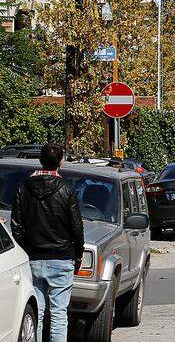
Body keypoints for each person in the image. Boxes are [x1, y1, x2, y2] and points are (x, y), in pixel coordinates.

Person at [11, 143, 84, 342]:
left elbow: (16, 226)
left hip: (33, 257)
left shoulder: (24, 188)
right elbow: (76, 227)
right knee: (59, 314)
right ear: (61, 162)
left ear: (40, 160)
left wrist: (27, 250)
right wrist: (78, 253)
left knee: (37, 312)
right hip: (62, 257)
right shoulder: (67, 189)